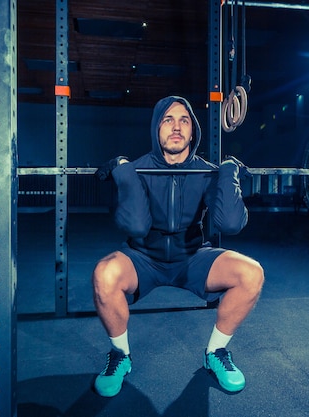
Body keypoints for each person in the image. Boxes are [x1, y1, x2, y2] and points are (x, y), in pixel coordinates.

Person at [92, 95, 264, 397]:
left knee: (251, 274)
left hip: (192, 256)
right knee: (104, 273)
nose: (176, 127)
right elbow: (135, 226)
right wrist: (124, 172)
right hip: (142, 257)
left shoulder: (206, 170)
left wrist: (227, 171)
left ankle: (215, 353)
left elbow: (231, 224)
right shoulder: (137, 169)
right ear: (156, 129)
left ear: (193, 131)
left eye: (184, 120)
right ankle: (120, 355)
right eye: (168, 120)